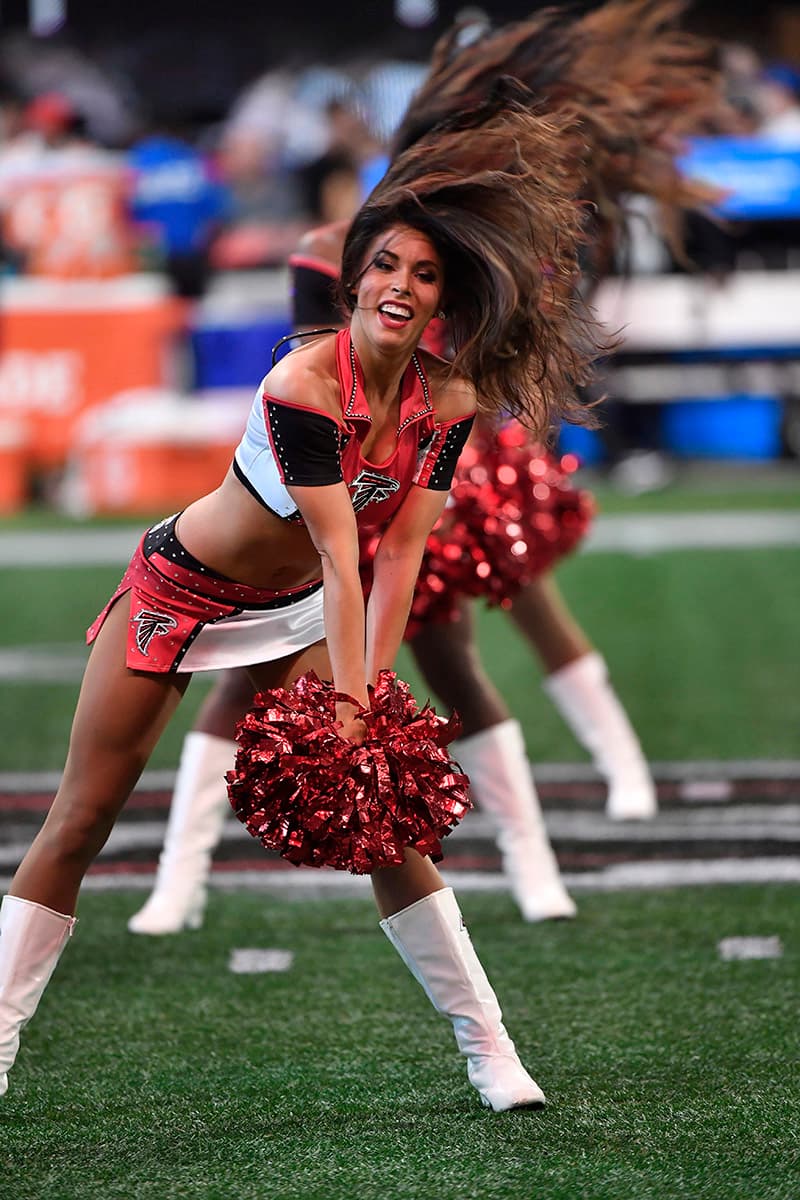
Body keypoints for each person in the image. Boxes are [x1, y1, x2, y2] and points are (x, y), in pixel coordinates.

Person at [0, 87, 600, 1111]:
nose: (400, 286)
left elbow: (401, 551)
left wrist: (364, 710)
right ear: (352, 280)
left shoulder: (446, 400)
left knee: (386, 823)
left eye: (422, 273)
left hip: (302, 607)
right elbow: (336, 549)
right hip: (181, 595)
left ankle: (491, 1052)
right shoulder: (301, 391)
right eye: (383, 266)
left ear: (443, 300)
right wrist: (358, 698)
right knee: (82, 818)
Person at [130, 0, 729, 940]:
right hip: (327, 501)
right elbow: (313, 386)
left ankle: (550, 845)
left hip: (432, 489)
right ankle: (180, 877)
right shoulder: (331, 262)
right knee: (250, 681)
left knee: (467, 661)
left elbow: (486, 377)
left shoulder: (469, 267)